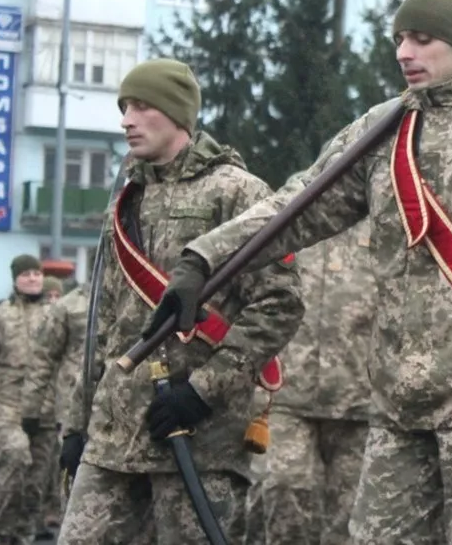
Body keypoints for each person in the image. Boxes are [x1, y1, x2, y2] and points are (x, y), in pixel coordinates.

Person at [150, 0, 452, 545]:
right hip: (396, 400)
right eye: (399, 40)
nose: (404, 53)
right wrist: (203, 258)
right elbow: (298, 204)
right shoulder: (386, 127)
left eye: (422, 39)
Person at [54, 58, 303, 545]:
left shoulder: (238, 192)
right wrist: (76, 424)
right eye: (124, 108)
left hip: (197, 435)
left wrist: (203, 392)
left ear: (176, 113)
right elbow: (102, 322)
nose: (126, 120)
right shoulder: (126, 199)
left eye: (140, 106)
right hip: (113, 433)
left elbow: (279, 304)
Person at [251, 222, 377, 544]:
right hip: (286, 394)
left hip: (361, 398)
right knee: (284, 491)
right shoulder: (291, 214)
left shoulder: (381, 215)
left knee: (351, 519)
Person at [0, 255, 58, 545]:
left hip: (46, 406)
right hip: (6, 406)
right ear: (15, 279)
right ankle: (2, 533)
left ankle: (25, 535)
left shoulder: (56, 314)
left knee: (37, 480)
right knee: (14, 457)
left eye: (37, 273)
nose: (33, 278)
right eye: (26, 274)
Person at [22, 284, 89, 532]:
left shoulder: (136, 294)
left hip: (123, 405)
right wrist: (31, 410)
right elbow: (42, 359)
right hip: (74, 407)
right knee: (72, 474)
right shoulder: (68, 306)